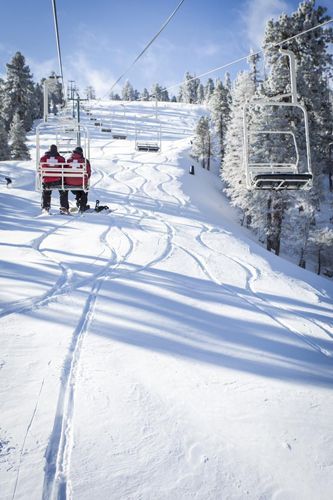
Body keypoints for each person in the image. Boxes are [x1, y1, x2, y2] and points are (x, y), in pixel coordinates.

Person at [39, 144, 69, 214]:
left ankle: (45, 207)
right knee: (63, 191)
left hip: (47, 181)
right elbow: (64, 169)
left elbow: (40, 169)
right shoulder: (61, 159)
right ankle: (64, 207)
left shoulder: (43, 158)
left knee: (46, 192)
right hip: (58, 180)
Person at [65, 146, 91, 212]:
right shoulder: (85, 161)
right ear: (81, 153)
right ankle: (82, 206)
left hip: (69, 182)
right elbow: (88, 172)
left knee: (78, 185)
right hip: (81, 182)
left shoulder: (68, 160)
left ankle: (78, 202)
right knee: (84, 187)